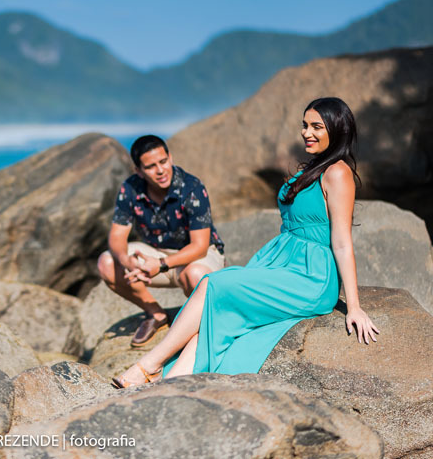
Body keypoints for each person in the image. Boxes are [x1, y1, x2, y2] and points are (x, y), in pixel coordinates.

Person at [112, 97, 380, 387]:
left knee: (213, 284)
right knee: (216, 315)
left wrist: (353, 306)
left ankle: (149, 365)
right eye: (304, 125)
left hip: (310, 276)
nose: (306, 133)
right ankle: (170, 384)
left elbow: (341, 242)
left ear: (336, 130)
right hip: (281, 263)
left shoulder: (337, 172)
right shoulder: (310, 169)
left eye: (316, 126)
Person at [98, 135, 225, 347]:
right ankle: (155, 314)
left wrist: (161, 265)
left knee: (195, 275)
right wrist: (126, 261)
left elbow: (200, 246)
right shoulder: (130, 189)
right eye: (150, 166)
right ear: (138, 170)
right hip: (156, 254)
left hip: (196, 256)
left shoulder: (191, 187)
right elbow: (117, 236)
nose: (160, 170)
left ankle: (199, 327)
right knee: (107, 263)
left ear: (170, 157)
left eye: (163, 162)